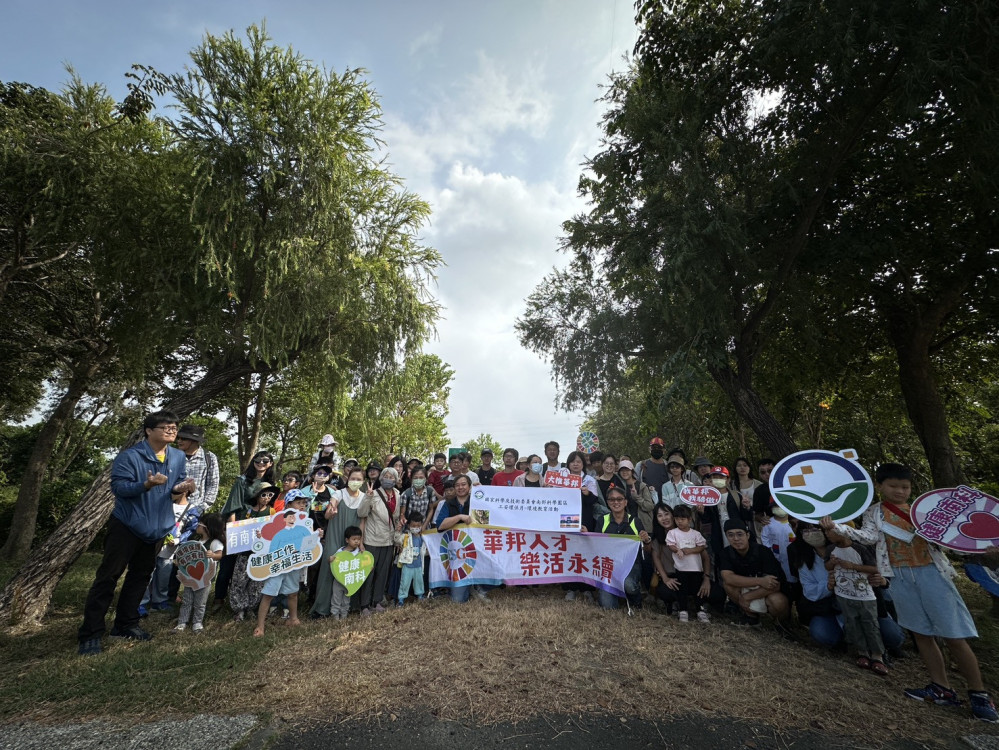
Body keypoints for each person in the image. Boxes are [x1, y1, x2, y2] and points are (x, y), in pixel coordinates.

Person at [822, 463, 997, 723]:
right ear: (880, 486)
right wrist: (837, 527)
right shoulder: (874, 512)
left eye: (905, 487)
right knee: (921, 633)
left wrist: (984, 547)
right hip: (900, 576)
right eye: (893, 486)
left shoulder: (925, 510)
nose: (899, 491)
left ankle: (979, 694)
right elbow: (868, 537)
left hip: (931, 573)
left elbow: (952, 540)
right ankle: (941, 687)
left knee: (954, 635)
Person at [78, 411, 194, 655]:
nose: (172, 431)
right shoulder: (129, 457)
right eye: (165, 427)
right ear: (149, 431)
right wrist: (146, 484)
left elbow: (174, 490)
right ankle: (91, 633)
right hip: (127, 525)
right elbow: (119, 488)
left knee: (140, 577)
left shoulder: (177, 457)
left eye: (174, 427)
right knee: (107, 578)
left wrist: (181, 488)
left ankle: (126, 624)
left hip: (157, 527)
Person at [789, 522, 904, 654]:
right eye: (806, 530)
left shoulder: (855, 549)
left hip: (865, 605)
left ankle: (878, 649)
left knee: (893, 638)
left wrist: (882, 581)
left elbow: (880, 574)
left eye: (816, 528)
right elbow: (810, 592)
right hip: (832, 609)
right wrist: (828, 586)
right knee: (823, 634)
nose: (811, 533)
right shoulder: (804, 561)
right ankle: (849, 641)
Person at [825, 529, 889, 675]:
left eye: (831, 531)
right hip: (843, 593)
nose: (828, 534)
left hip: (865, 594)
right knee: (852, 622)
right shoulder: (830, 549)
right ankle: (862, 652)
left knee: (870, 623)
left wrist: (853, 567)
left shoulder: (860, 548)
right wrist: (831, 563)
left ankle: (878, 655)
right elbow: (827, 566)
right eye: (826, 531)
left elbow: (874, 568)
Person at [311, 466, 367, 618]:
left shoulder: (363, 497)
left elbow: (362, 521)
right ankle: (322, 608)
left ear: (363, 481)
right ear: (348, 479)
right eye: (353, 478)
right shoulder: (339, 493)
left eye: (359, 479)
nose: (355, 481)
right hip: (335, 536)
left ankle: (348, 606)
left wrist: (360, 542)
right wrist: (330, 511)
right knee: (330, 566)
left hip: (353, 539)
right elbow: (329, 512)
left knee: (350, 569)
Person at [253, 492, 309, 637]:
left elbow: (307, 542)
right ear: (289, 505)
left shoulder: (303, 524)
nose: (302, 506)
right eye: (299, 503)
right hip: (277, 564)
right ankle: (260, 626)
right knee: (268, 594)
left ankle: (293, 618)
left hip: (294, 563)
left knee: (293, 592)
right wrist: (261, 538)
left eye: (304, 503)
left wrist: (317, 536)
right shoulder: (277, 522)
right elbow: (268, 542)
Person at [718, 519, 790, 628]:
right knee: (728, 585)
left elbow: (775, 584)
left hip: (766, 592)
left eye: (739, 534)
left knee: (778, 601)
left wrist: (748, 596)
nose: (736, 539)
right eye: (731, 535)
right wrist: (760, 581)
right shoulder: (726, 553)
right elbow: (728, 578)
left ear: (747, 535)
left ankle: (781, 624)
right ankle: (751, 617)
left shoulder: (763, 551)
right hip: (752, 586)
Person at [595, 486, 652, 611]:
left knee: (629, 585)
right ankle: (615, 592)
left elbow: (647, 550)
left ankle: (635, 600)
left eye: (619, 499)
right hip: (608, 565)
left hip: (630, 565)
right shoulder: (602, 520)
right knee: (607, 607)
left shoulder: (635, 521)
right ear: (608, 502)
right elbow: (596, 545)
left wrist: (647, 539)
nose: (616, 502)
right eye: (612, 499)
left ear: (625, 502)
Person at [357, 467, 404, 616]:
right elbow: (361, 513)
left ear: (396, 480)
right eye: (386, 476)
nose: (388, 479)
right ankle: (364, 604)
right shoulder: (374, 494)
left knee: (383, 573)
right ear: (381, 478)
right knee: (369, 573)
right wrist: (368, 497)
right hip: (373, 539)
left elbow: (395, 517)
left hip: (388, 540)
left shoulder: (397, 494)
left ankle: (376, 601)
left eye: (392, 476)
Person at [435, 474, 489, 603]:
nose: (460, 487)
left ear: (470, 486)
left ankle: (480, 588)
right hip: (459, 556)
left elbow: (486, 521)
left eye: (464, 484)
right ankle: (468, 588)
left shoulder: (477, 500)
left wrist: (482, 491)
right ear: (454, 488)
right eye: (457, 485)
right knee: (458, 600)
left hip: (479, 549)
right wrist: (459, 517)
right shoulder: (449, 504)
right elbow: (440, 525)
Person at [228, 484, 277, 622]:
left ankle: (251, 608)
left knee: (257, 582)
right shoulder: (247, 512)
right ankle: (239, 609)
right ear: (256, 495)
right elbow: (239, 529)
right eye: (263, 495)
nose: (267, 498)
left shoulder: (272, 512)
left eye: (270, 495)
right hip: (245, 552)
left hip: (261, 554)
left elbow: (274, 531)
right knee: (239, 580)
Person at [174, 513, 225, 633]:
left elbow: (220, 555)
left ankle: (197, 622)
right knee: (187, 599)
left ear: (207, 527)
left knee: (200, 602)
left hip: (205, 579)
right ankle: (182, 622)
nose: (197, 525)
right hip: (190, 577)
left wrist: (213, 555)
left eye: (200, 523)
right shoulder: (195, 540)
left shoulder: (214, 542)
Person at [665, 505, 711, 622]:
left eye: (682, 519)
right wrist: (677, 550)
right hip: (681, 569)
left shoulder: (695, 534)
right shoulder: (672, 532)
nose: (679, 522)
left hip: (696, 568)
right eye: (677, 519)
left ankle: (700, 610)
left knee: (698, 590)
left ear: (689, 519)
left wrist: (689, 550)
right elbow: (670, 545)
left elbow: (701, 547)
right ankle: (683, 610)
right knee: (682, 590)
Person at [700, 466, 755, 562]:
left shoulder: (736, 495)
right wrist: (701, 512)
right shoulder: (708, 498)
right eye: (715, 477)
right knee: (723, 561)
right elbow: (707, 520)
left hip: (737, 535)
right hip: (718, 535)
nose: (718, 480)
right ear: (711, 480)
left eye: (721, 477)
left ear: (728, 480)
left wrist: (747, 507)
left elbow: (747, 517)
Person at [174, 423, 220, 512]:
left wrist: (202, 507)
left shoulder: (209, 457)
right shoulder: (172, 456)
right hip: (172, 507)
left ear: (194, 441)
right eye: (178, 438)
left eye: (183, 438)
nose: (179, 441)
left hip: (196, 508)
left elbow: (213, 484)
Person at [650, 503, 681, 615]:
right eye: (660, 516)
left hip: (688, 574)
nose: (664, 518)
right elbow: (656, 558)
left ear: (673, 515)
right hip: (670, 574)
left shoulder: (686, 531)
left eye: (666, 514)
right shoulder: (658, 538)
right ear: (656, 519)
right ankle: (673, 603)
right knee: (665, 591)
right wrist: (665, 578)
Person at [328, 525, 363, 620]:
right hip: (339, 581)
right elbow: (334, 560)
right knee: (336, 598)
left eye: (358, 539)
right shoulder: (341, 551)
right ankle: (335, 615)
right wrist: (331, 559)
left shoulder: (359, 553)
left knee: (346, 600)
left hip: (350, 581)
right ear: (347, 540)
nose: (356, 541)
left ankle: (344, 616)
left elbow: (363, 565)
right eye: (354, 539)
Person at [396, 511, 427, 606]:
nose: (416, 528)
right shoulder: (406, 536)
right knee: (404, 582)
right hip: (408, 564)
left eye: (418, 526)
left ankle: (420, 595)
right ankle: (401, 598)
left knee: (419, 581)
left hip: (418, 565)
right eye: (413, 526)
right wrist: (398, 531)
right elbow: (397, 540)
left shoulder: (423, 537)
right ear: (409, 525)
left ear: (421, 525)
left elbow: (424, 550)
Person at [751, 458, 776, 534]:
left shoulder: (789, 485)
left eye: (770, 471)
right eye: (763, 472)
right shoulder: (759, 491)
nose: (767, 474)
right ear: (760, 475)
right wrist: (762, 519)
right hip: (775, 528)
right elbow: (757, 514)